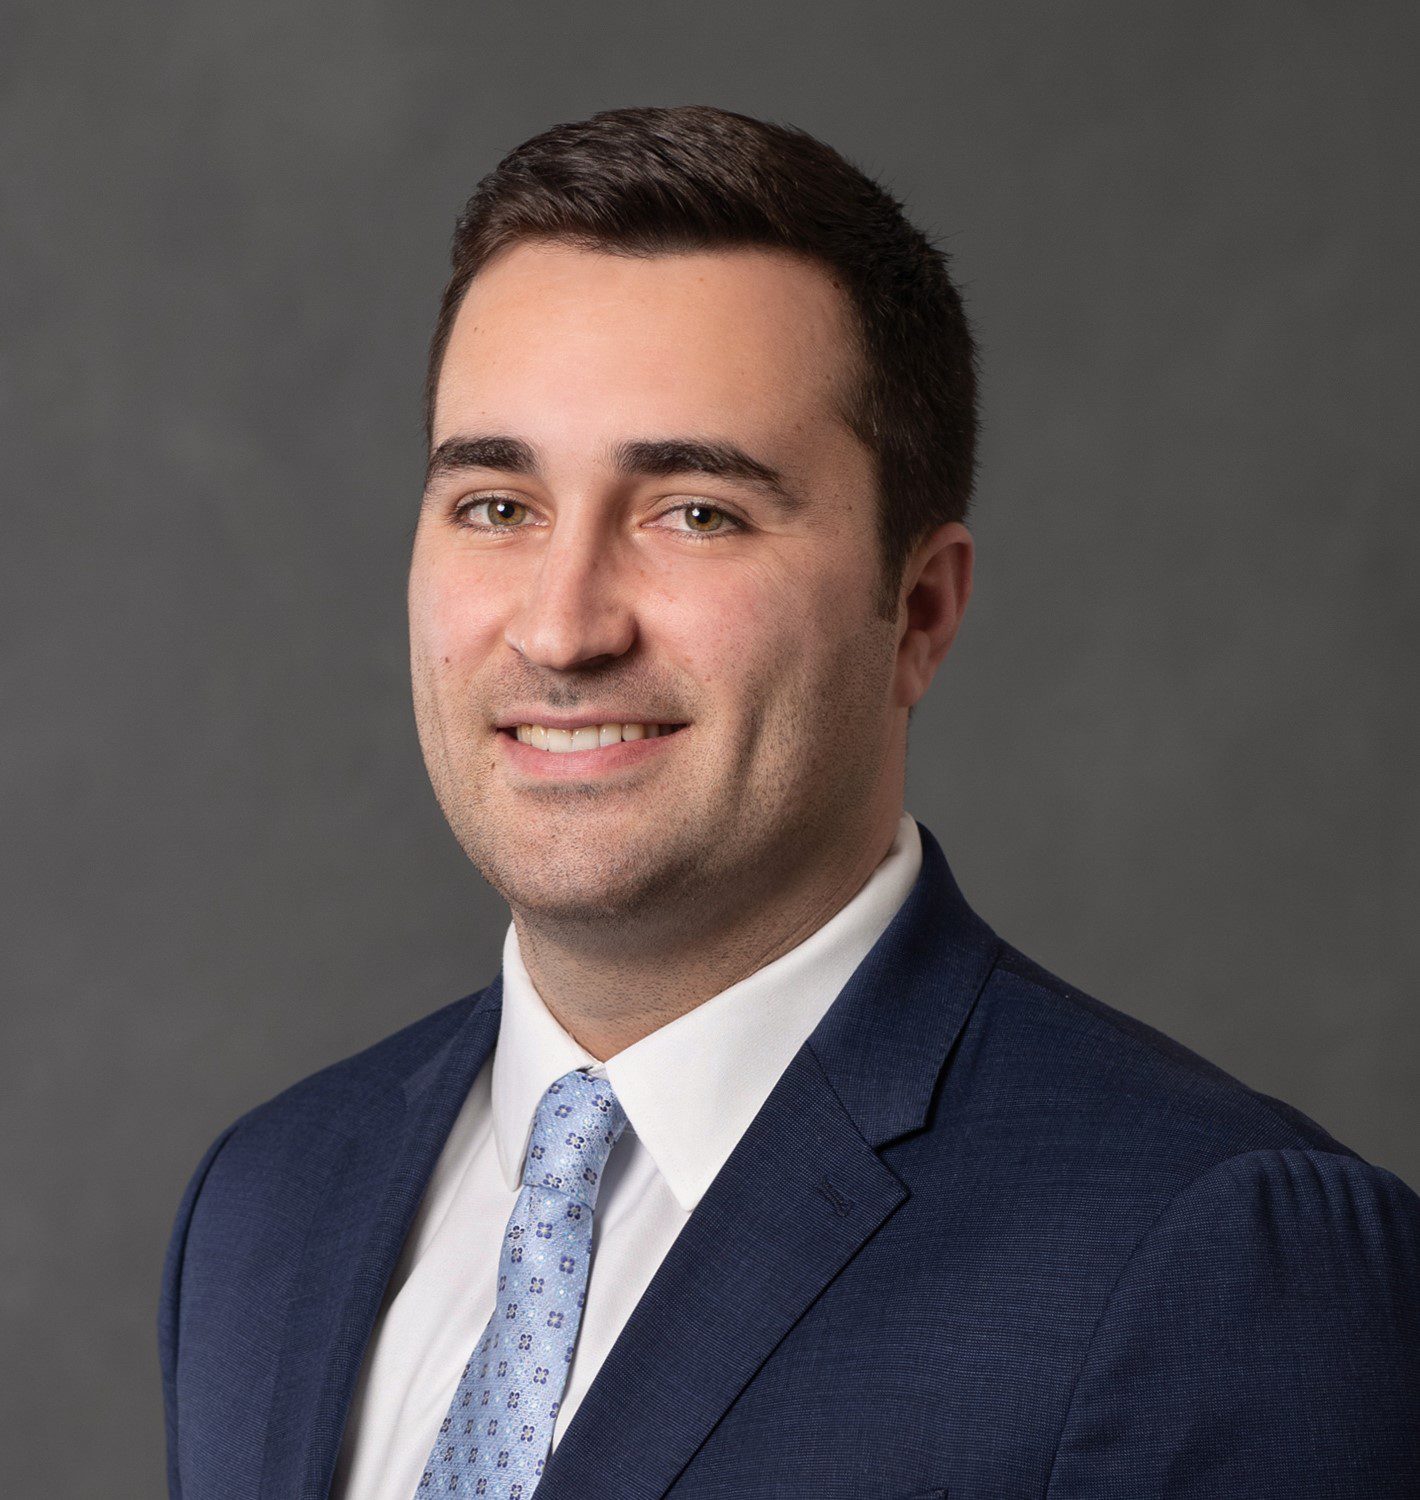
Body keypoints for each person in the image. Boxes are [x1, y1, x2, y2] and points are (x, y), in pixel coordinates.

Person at [158, 105, 1420, 1500]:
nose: (562, 628)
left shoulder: (1221, 1265)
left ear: (920, 612)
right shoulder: (266, 1203)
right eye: (497, 506)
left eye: (695, 510)